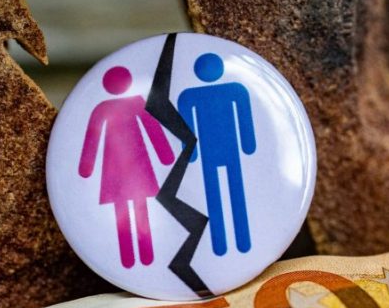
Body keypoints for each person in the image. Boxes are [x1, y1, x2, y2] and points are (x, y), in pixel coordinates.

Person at [79, 66, 175, 268]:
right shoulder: (133, 103)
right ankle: (141, 257)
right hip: (127, 164)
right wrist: (165, 155)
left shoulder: (106, 107)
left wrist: (86, 167)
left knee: (125, 208)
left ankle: (135, 258)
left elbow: (92, 139)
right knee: (136, 206)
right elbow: (153, 131)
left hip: (122, 165)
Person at [178, 53, 256, 255]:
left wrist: (191, 153)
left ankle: (231, 243)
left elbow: (187, 126)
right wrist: (248, 145)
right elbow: (244, 121)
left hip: (216, 151)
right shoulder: (233, 90)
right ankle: (232, 243)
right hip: (221, 150)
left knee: (222, 193)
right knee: (226, 192)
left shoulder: (190, 96)